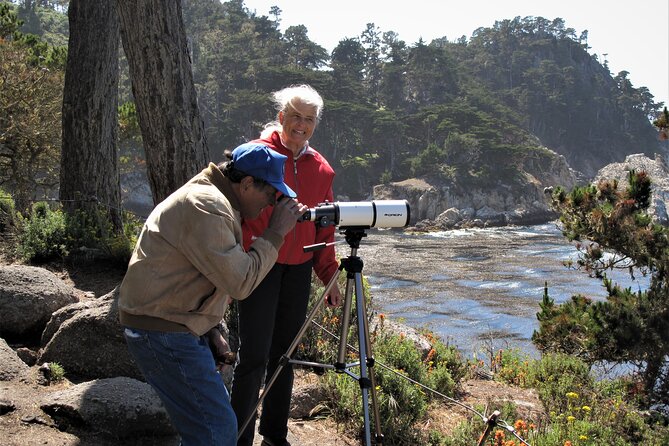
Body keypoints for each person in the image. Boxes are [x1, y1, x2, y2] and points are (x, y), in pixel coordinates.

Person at [118, 142, 308, 446]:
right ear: (246, 184)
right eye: (271, 194)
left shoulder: (213, 199)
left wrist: (210, 329)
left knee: (207, 429)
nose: (272, 203)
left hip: (171, 323)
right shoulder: (206, 205)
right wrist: (275, 233)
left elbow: (199, 275)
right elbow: (241, 282)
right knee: (216, 432)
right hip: (162, 331)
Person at [231, 84, 343, 446]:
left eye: (309, 119)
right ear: (281, 117)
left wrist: (329, 275)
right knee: (253, 356)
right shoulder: (256, 156)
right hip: (259, 266)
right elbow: (234, 211)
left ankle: (275, 435)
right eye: (295, 116)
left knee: (285, 355)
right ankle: (239, 435)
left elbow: (324, 227)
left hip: (298, 269)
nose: (301, 125)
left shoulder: (321, 169)